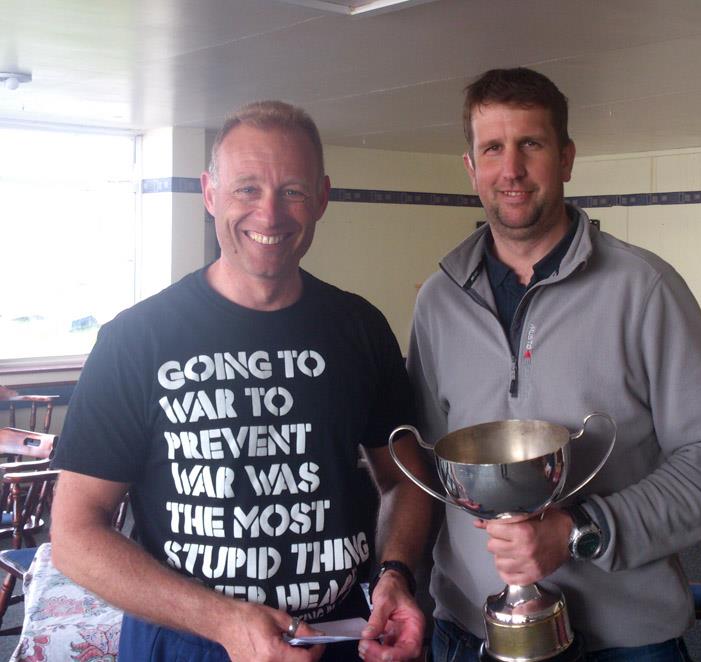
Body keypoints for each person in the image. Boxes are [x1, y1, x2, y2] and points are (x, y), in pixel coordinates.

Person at [50, 100, 432, 662]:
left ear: (323, 197)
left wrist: (395, 572)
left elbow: (406, 479)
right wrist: (224, 622)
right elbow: (75, 536)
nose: (270, 214)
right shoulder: (136, 339)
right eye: (246, 189)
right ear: (209, 193)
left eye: (293, 190)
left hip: (342, 638)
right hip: (186, 642)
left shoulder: (360, 328)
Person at [406, 68, 701, 661]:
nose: (511, 170)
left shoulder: (643, 289)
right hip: (470, 631)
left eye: (532, 145)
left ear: (566, 159)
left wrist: (579, 531)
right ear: (470, 167)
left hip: (623, 641)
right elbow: (429, 464)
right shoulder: (439, 300)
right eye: (493, 148)